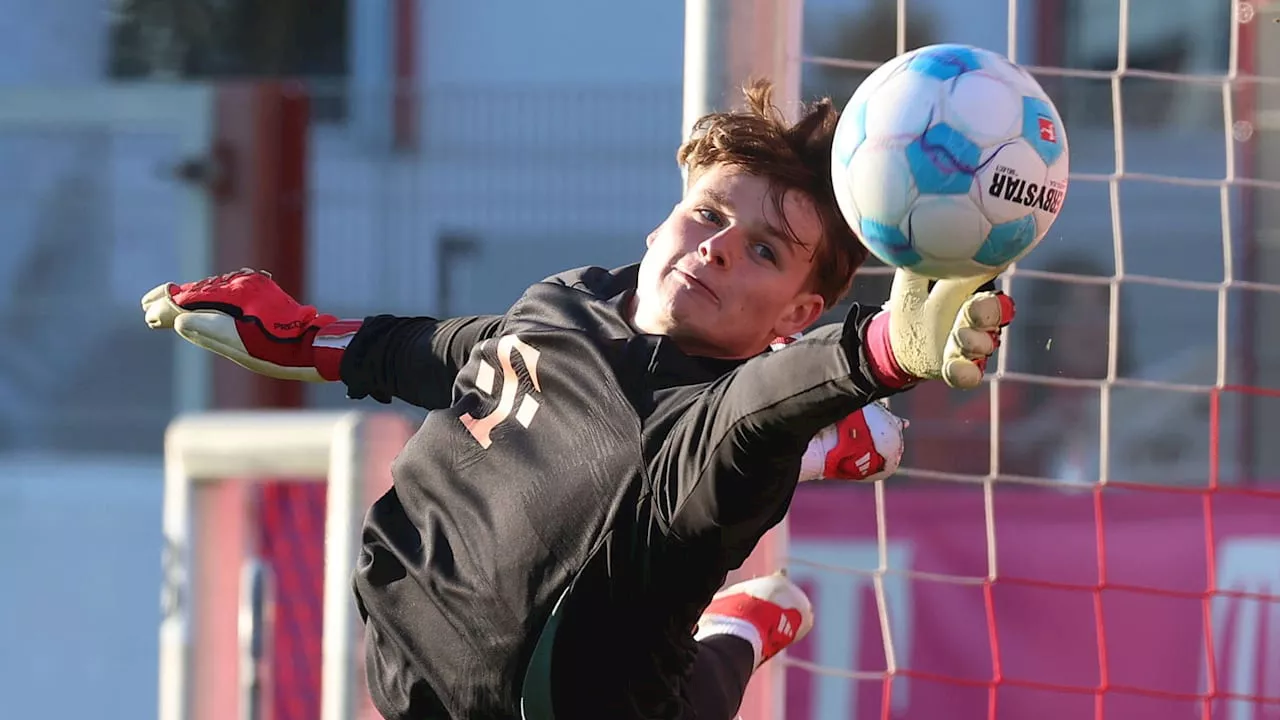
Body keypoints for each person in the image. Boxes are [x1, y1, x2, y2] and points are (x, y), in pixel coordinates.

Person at [142, 81, 1014, 720]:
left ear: (796, 313)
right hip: (409, 677)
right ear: (660, 221)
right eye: (708, 216)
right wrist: (310, 338)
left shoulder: (710, 429)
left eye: (762, 251)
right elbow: (455, 353)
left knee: (684, 670)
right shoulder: (572, 299)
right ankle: (830, 444)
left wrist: (883, 349)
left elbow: (760, 405)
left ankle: (751, 616)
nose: (715, 250)